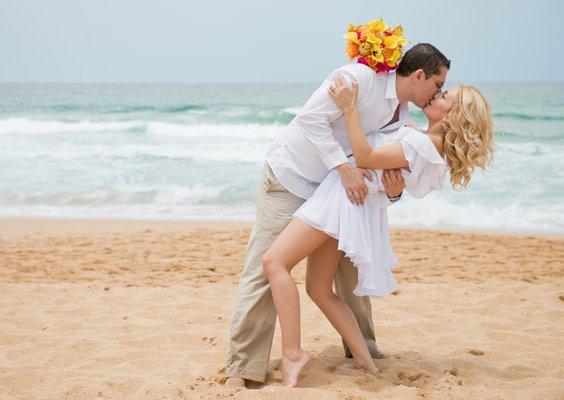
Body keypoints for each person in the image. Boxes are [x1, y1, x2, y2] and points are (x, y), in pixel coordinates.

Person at [226, 43, 451, 388]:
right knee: (264, 269)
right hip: (293, 176)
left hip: (338, 193)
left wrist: (392, 191)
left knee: (350, 276)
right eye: (437, 85)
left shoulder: (404, 115)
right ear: (419, 76)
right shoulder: (359, 78)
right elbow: (310, 119)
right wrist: (342, 166)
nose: (438, 93)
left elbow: (382, 168)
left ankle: (363, 353)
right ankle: (244, 368)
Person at [262, 76, 495, 387]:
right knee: (318, 288)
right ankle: (365, 361)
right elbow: (390, 178)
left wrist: (348, 108)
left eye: (444, 96)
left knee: (274, 263)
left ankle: (292, 354)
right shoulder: (426, 143)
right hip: (353, 200)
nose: (436, 95)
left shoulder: (422, 144)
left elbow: (365, 157)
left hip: (342, 198)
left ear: (451, 115)